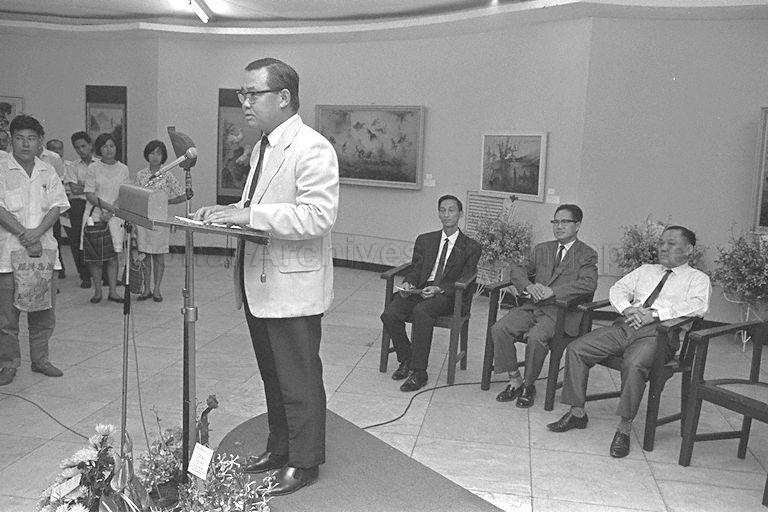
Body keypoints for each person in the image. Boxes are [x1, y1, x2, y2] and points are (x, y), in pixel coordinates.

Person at [193, 58, 338, 495]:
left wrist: (246, 214)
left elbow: (318, 216)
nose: (245, 103)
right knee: (272, 375)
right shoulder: (263, 146)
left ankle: (304, 462)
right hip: (259, 282)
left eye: (252, 94)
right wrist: (223, 218)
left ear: (284, 97)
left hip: (294, 285)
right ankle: (279, 447)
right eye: (243, 94)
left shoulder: (313, 147)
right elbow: (254, 208)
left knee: (299, 378)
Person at [547, 225, 711, 459]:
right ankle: (577, 413)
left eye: (671, 243)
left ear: (688, 249)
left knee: (633, 364)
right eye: (661, 243)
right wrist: (628, 308)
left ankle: (624, 428)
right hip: (627, 325)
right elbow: (618, 288)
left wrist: (654, 314)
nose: (664, 248)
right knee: (577, 348)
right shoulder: (647, 270)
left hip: (661, 334)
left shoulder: (698, 279)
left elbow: (697, 306)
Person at [490, 204, 598, 407]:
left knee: (535, 338)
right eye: (555, 222)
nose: (559, 226)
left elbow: (588, 283)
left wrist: (554, 291)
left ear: (578, 225)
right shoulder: (542, 249)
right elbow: (517, 269)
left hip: (560, 313)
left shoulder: (586, 254)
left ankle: (529, 385)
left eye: (565, 222)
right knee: (500, 329)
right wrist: (529, 286)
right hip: (533, 306)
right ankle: (515, 379)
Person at [380, 194, 482, 393]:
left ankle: (419, 372)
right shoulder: (426, 240)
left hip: (450, 295)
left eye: (451, 210)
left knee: (422, 311)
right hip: (421, 289)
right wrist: (409, 282)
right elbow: (416, 269)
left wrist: (440, 288)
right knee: (390, 313)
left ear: (460, 214)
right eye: (442, 210)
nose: (446, 215)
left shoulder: (471, 246)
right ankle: (407, 358)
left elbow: (467, 277)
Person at [0, 114, 69, 385]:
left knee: (43, 311)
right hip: (7, 255)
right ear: (10, 139)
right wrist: (24, 235)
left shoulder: (47, 170)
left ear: (40, 141)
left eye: (31, 139)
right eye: (19, 138)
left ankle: (40, 360)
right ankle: (8, 363)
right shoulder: (1, 168)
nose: (25, 144)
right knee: (7, 315)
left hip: (43, 252)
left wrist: (36, 234)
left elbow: (56, 207)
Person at [133, 140, 189, 302]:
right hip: (144, 219)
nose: (155, 156)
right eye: (152, 153)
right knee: (145, 255)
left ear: (163, 156)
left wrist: (166, 202)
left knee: (158, 256)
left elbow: (183, 195)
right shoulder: (141, 175)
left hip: (161, 220)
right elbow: (136, 196)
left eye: (158, 153)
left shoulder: (167, 175)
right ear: (147, 155)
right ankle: (146, 289)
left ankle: (157, 289)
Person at [82, 133, 129, 304]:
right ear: (99, 149)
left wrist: (111, 212)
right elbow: (89, 193)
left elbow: (124, 193)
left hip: (115, 217)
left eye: (112, 146)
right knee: (95, 256)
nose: (109, 149)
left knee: (113, 255)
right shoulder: (93, 168)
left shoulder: (123, 169)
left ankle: (114, 292)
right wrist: (107, 209)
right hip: (95, 214)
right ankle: (97, 291)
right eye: (105, 146)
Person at [63, 132, 95, 288]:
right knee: (77, 241)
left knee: (96, 239)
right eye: (77, 148)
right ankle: (85, 276)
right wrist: (90, 187)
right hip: (77, 206)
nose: (81, 150)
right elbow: (74, 190)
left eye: (83, 146)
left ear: (90, 145)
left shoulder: (100, 164)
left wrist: (84, 186)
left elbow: (101, 189)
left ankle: (101, 275)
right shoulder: (72, 166)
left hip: (96, 204)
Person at [39, 140, 68, 279]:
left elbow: (60, 183)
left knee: (54, 238)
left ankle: (57, 269)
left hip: (51, 207)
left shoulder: (53, 159)